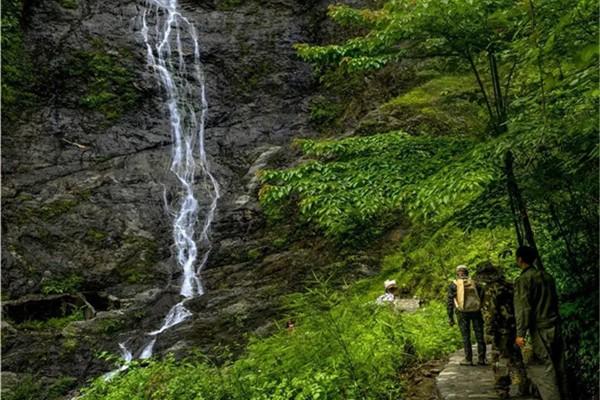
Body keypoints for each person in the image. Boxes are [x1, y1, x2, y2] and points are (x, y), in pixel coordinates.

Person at [514, 246, 568, 400]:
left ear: (520, 259)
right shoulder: (547, 277)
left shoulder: (523, 280)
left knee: (544, 370)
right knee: (559, 367)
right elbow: (556, 301)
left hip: (539, 329)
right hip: (555, 326)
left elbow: (523, 308)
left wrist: (520, 333)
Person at [476, 262, 529, 398]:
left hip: (500, 329)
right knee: (516, 357)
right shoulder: (510, 285)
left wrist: (488, 331)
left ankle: (502, 388)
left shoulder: (490, 289)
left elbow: (489, 313)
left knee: (499, 359)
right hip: (515, 327)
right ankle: (524, 385)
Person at [447, 265, 486, 366]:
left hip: (462, 312)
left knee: (466, 336)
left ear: (457, 273)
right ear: (467, 273)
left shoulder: (454, 284)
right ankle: (482, 358)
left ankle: (468, 359)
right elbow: (482, 294)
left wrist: (450, 317)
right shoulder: (475, 283)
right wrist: (480, 305)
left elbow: (450, 302)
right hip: (476, 311)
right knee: (479, 334)